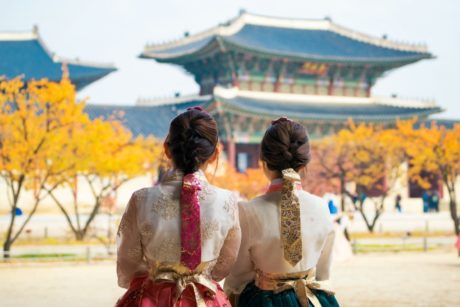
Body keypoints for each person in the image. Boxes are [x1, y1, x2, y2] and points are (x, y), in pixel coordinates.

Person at [116, 107, 241, 307]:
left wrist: (158, 277)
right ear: (215, 154)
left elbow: (128, 262)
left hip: (153, 298)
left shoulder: (140, 199)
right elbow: (225, 262)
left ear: (167, 149)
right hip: (205, 297)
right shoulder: (227, 201)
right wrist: (201, 275)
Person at [224, 117, 339, 307]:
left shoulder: (247, 210)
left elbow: (239, 277)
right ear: (303, 164)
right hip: (312, 299)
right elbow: (323, 273)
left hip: (265, 300)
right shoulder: (322, 207)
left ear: (264, 163)